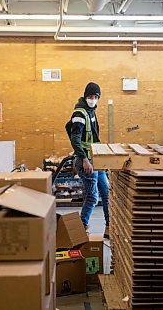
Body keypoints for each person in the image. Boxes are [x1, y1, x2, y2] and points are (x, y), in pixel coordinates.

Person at [69, 82, 110, 237]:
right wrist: (85, 159)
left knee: (106, 193)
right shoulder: (79, 114)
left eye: (96, 97)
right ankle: (81, 227)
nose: (93, 99)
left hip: (95, 160)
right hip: (86, 162)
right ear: (85, 96)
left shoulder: (91, 112)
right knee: (92, 197)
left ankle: (109, 226)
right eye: (90, 96)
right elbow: (75, 140)